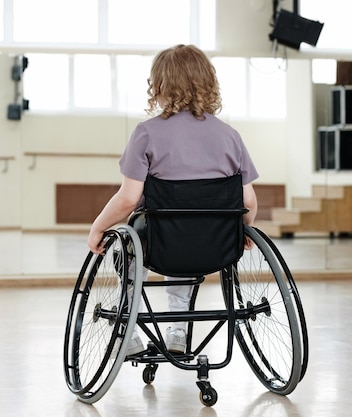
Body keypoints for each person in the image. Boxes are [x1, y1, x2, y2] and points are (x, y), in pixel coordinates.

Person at [87, 44, 259, 356]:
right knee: (185, 231)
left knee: (134, 240)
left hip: (161, 244)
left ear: (160, 85)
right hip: (216, 245)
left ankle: (129, 327)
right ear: (207, 83)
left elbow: (127, 200)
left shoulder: (147, 133)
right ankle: (178, 328)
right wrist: (243, 230)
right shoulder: (229, 135)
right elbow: (248, 198)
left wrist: (98, 227)